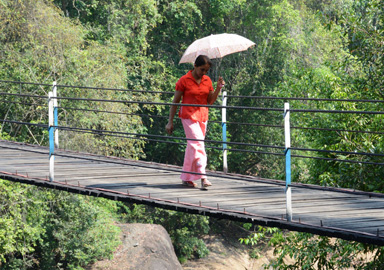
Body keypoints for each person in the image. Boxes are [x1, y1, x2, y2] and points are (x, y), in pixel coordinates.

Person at [166, 55, 225, 188]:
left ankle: (187, 177)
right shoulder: (184, 80)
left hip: (202, 116)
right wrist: (170, 121)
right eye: (202, 70)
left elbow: (210, 101)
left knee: (193, 146)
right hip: (188, 116)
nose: (204, 73)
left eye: (206, 71)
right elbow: (175, 102)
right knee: (198, 143)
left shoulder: (207, 80)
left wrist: (218, 88)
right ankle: (203, 176)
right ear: (195, 66)